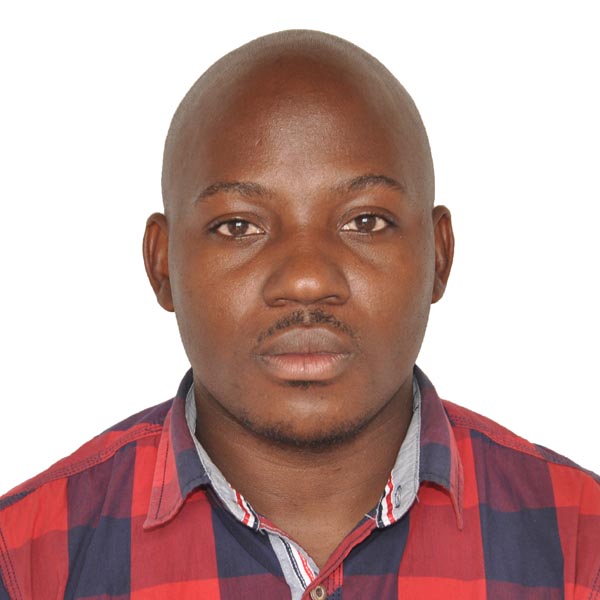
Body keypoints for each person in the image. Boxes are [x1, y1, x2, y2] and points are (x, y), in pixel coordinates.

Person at [0, 29, 598, 600]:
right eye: (239, 226)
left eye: (365, 221)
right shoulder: (24, 561)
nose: (307, 280)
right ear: (163, 265)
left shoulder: (581, 544)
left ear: (439, 255)